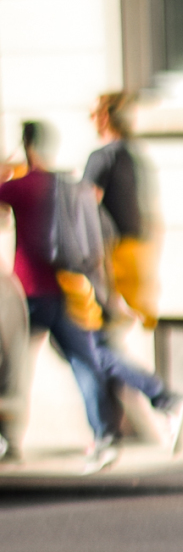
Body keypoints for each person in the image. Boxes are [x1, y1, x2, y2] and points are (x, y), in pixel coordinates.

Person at [0, 121, 119, 471]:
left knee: (10, 368)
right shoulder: (61, 184)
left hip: (27, 294)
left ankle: (7, 438)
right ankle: (104, 435)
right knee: (82, 361)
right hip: (60, 286)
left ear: (27, 147)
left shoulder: (22, 186)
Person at [83, 92, 183, 453]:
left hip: (108, 264)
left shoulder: (101, 158)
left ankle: (162, 400)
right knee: (96, 347)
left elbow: (86, 215)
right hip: (135, 260)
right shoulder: (133, 158)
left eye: (93, 115)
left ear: (104, 119)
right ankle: (107, 430)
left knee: (92, 347)